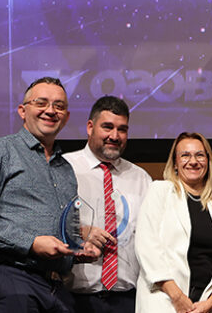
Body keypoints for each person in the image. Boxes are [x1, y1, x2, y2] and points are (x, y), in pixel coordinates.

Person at [0, 76, 104, 313]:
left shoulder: (66, 169)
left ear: (66, 117)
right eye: (41, 103)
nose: (50, 111)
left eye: (59, 106)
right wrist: (31, 242)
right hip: (10, 280)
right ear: (22, 111)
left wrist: (77, 250)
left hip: (58, 289)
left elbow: (65, 231)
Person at [64, 96, 153, 313]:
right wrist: (79, 231)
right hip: (72, 299)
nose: (114, 136)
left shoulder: (141, 179)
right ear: (90, 127)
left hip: (127, 300)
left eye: (122, 129)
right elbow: (43, 223)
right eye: (107, 127)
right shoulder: (64, 168)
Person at [135, 132, 212, 313]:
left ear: (208, 160)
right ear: (175, 163)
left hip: (205, 305)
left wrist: (211, 303)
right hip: (164, 300)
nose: (193, 161)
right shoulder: (160, 191)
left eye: (199, 155)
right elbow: (147, 247)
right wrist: (177, 297)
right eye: (185, 155)